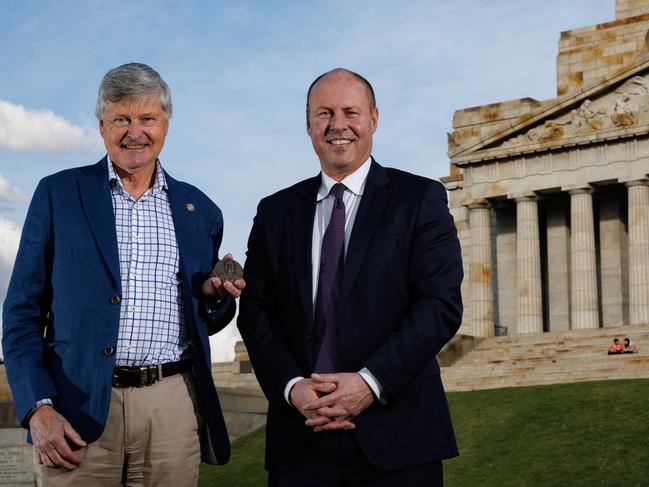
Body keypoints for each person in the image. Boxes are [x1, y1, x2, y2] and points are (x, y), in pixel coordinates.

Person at [2, 62, 245, 486]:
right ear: (101, 126)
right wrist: (37, 408)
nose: (135, 132)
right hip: (76, 408)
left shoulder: (199, 210)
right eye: (122, 119)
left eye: (147, 118)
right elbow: (21, 312)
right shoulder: (58, 194)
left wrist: (213, 294)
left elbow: (207, 319)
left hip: (171, 406)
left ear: (165, 124)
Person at [237, 68, 463, 486]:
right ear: (308, 124)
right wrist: (291, 388)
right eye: (324, 113)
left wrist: (369, 382)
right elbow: (255, 312)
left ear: (373, 119)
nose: (338, 125)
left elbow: (439, 304)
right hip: (299, 443)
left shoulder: (419, 198)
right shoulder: (275, 211)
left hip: (397, 439)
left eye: (350, 112)